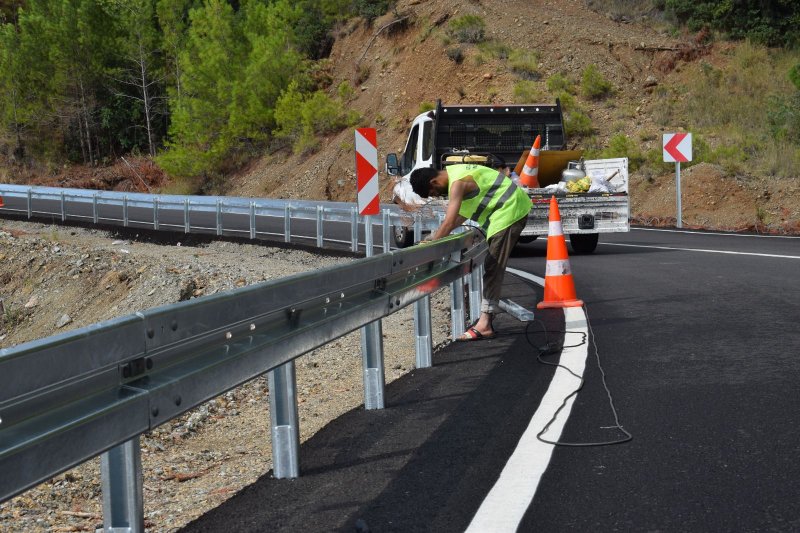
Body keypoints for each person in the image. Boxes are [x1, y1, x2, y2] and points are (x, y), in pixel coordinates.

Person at [409, 163, 531, 341]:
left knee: (493, 266)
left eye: (434, 193)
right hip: (509, 209)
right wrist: (434, 237)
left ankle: (485, 323)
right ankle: (486, 319)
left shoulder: (457, 183)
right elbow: (461, 216)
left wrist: (432, 247)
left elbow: (450, 221)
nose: (437, 196)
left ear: (434, 182)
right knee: (492, 265)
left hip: (510, 210)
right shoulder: (456, 172)